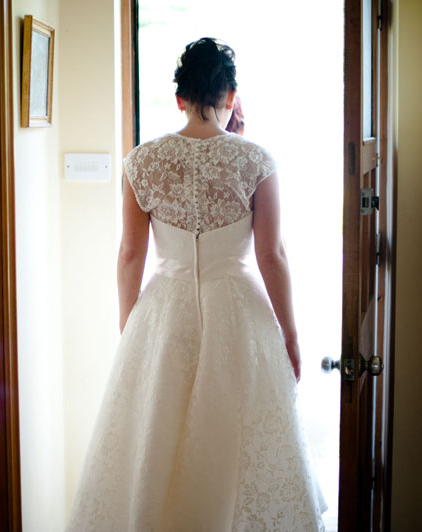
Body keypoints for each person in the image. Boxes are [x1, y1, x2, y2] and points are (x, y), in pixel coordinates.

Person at [65, 37, 327, 531]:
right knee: (235, 440)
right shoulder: (256, 161)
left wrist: (130, 324)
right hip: (239, 312)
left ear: (179, 97)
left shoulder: (143, 161)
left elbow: (130, 253)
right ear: (231, 96)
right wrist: (290, 335)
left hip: (165, 309)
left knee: (158, 438)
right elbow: (272, 256)